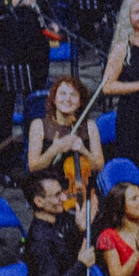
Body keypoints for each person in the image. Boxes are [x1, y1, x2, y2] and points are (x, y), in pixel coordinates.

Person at [28, 71, 106, 215]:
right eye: (62, 94)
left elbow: (99, 166)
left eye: (73, 95)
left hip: (82, 189)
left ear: (80, 102)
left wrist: (83, 150)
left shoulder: (90, 126)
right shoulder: (39, 125)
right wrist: (55, 149)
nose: (67, 99)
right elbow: (33, 166)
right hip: (52, 194)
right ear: (54, 99)